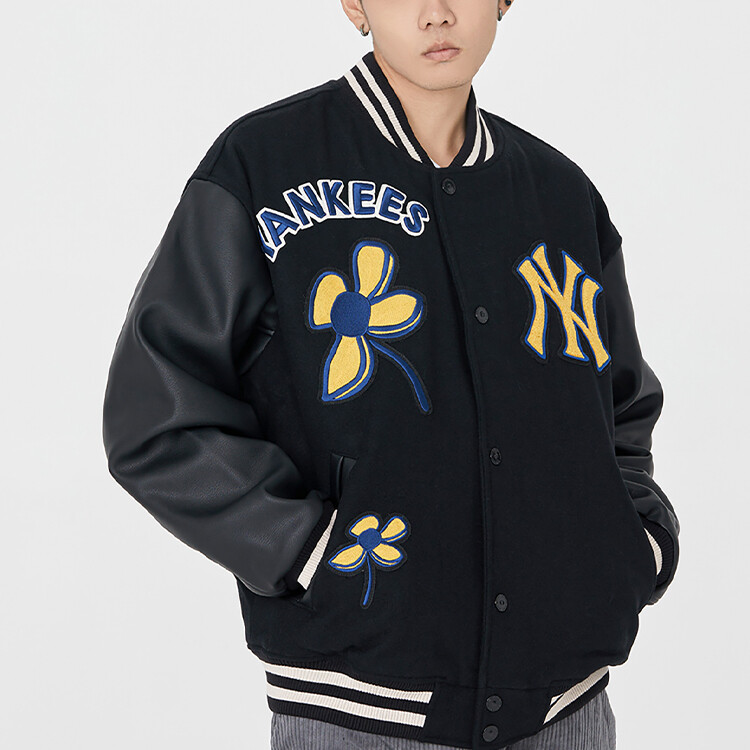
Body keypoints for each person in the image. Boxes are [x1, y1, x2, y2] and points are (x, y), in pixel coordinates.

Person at [102, 1, 680, 749]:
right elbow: (157, 413)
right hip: (357, 709)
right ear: (355, 4)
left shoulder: (561, 195)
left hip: (566, 707)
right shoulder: (263, 165)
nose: (437, 14)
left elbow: (619, 407)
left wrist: (636, 541)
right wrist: (307, 552)